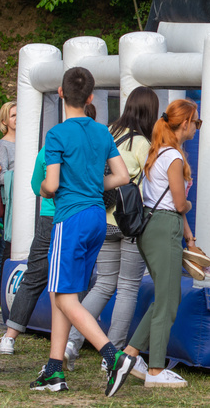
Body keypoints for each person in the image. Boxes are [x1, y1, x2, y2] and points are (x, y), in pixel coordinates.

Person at [31, 66, 135, 395]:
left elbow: (51, 183)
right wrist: (92, 184)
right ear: (91, 97)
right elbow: (122, 177)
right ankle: (54, 369)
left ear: (61, 93)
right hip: (96, 218)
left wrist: (47, 192)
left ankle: (113, 357)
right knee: (65, 292)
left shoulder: (57, 134)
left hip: (71, 217)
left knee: (64, 296)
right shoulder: (103, 132)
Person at [64, 86, 159, 370]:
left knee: (103, 283)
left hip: (102, 218)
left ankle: (71, 341)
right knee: (128, 287)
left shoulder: (105, 134)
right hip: (130, 222)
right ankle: (113, 354)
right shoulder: (143, 143)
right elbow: (151, 185)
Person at [122, 99, 201, 388]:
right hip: (165, 225)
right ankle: (155, 369)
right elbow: (179, 203)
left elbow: (169, 202)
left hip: (154, 224)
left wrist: (189, 237)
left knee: (167, 297)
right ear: (185, 123)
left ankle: (130, 354)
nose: (196, 127)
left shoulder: (158, 153)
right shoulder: (175, 158)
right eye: (196, 122)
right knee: (168, 300)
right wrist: (190, 205)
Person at [0, 128, 58, 352]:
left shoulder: (48, 148)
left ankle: (9, 337)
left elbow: (36, 187)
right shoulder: (90, 145)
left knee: (33, 277)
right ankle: (68, 341)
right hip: (76, 217)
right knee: (66, 281)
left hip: (49, 216)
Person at [0, 100, 16, 296]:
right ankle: (2, 291)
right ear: (5, 120)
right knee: (7, 248)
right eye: (13, 115)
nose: (17, 119)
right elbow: (0, 176)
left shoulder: (27, 140)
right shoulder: (3, 145)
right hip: (12, 201)